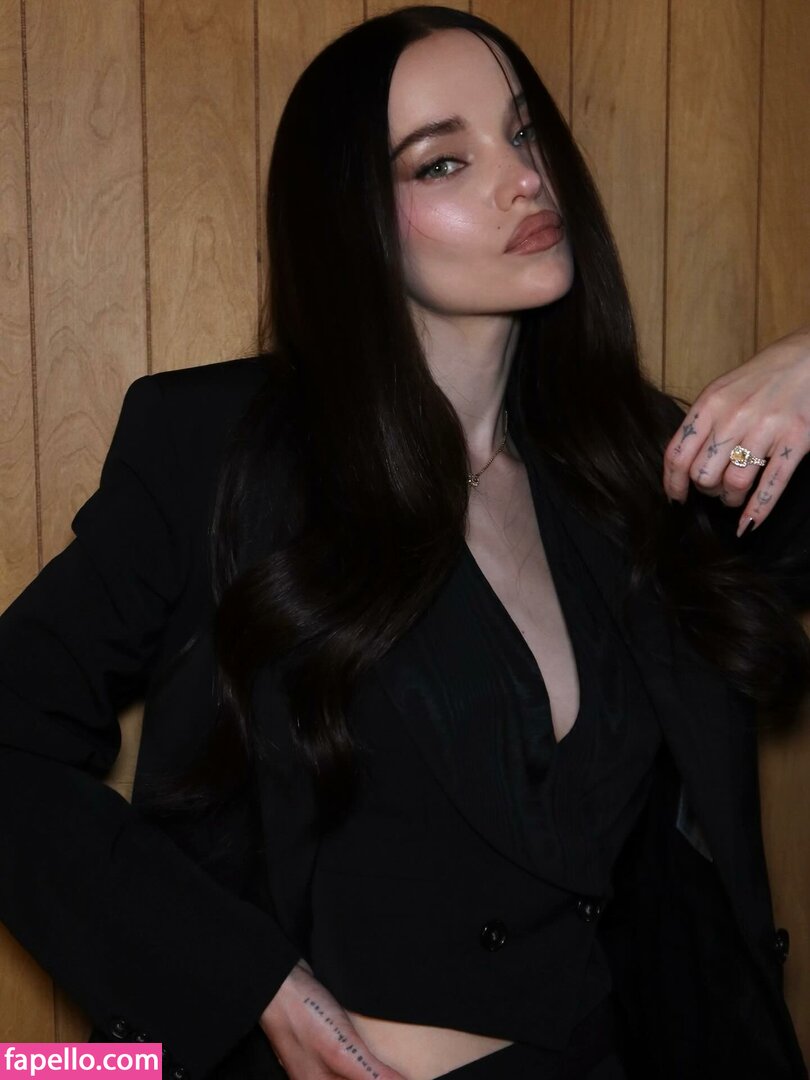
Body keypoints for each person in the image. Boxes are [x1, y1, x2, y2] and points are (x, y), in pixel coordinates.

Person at [0, 6, 808, 1079]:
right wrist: (245, 982)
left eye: (524, 133)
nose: (525, 180)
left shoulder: (647, 462)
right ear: (351, 220)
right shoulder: (216, 453)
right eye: (442, 162)